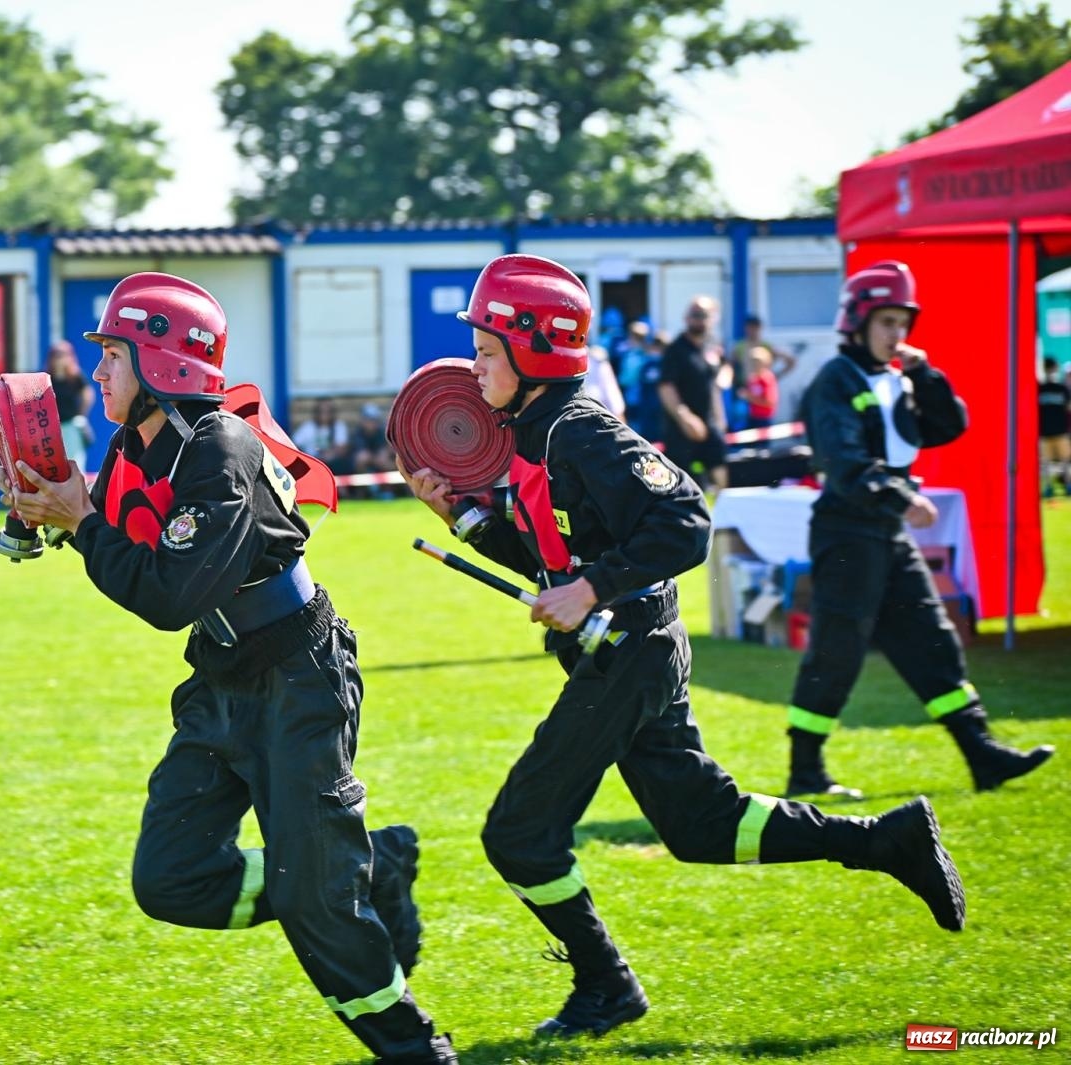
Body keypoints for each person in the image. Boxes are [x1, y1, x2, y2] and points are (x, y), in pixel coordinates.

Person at [398, 254, 967, 1041]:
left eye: (488, 349)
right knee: (704, 826)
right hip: (624, 650)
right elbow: (553, 562)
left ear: (535, 351)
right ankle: (888, 838)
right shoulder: (534, 434)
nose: (474, 364)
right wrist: (462, 517)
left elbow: (686, 522)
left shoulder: (584, 430)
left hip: (629, 652)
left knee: (518, 832)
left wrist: (591, 590)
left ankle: (607, 985)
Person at [0, 272, 457, 1064]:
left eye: (113, 354)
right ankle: (365, 868)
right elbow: (125, 548)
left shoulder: (220, 449)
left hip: (295, 672)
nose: (98, 371)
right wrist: (52, 511)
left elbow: (167, 592)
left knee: (318, 902)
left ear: (164, 365)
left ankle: (416, 1049)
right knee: (170, 877)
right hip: (220, 674)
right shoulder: (134, 442)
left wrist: (80, 521)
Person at [783, 260, 1054, 799]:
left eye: (902, 323)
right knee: (837, 653)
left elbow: (948, 426)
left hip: (886, 534)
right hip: (848, 535)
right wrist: (902, 497)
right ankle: (805, 770)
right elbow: (844, 462)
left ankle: (983, 756)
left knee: (933, 641)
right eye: (886, 322)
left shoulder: (896, 378)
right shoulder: (835, 381)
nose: (896, 334)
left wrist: (925, 375)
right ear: (857, 322)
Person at [658, 296, 729, 491]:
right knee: (680, 481)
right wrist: (685, 418)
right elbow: (666, 387)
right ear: (686, 318)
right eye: (695, 315)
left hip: (710, 421)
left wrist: (720, 415)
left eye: (704, 315)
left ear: (713, 318)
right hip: (681, 426)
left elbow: (719, 376)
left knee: (720, 472)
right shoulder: (676, 349)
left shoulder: (712, 345)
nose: (699, 320)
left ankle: (721, 517)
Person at [46, 339, 95, 471]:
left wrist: (81, 414)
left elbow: (88, 394)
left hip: (71, 425)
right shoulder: (47, 378)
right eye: (57, 355)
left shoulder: (75, 376)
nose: (60, 359)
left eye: (63, 355)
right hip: (53, 428)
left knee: (74, 462)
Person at [293, 397, 354, 476]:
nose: (325, 414)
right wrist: (306, 456)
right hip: (312, 462)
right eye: (321, 411)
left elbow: (342, 448)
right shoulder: (308, 427)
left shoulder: (338, 426)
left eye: (328, 411)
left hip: (333, 463)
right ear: (316, 412)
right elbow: (294, 444)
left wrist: (330, 454)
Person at [1039, 357, 1070, 497]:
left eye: (1052, 368)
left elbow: (1068, 408)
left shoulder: (1062, 388)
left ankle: (1068, 485)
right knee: (1045, 463)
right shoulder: (1039, 389)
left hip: (1061, 431)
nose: (1050, 371)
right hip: (1044, 432)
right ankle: (1048, 487)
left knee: (1065, 460)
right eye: (1048, 368)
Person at [351, 402, 397, 490]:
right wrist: (375, 458)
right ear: (362, 420)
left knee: (386, 462)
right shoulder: (358, 433)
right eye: (368, 420)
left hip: (380, 464)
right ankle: (364, 491)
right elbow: (362, 455)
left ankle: (387, 490)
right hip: (366, 466)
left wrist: (381, 457)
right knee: (362, 459)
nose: (371, 423)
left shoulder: (381, 432)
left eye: (373, 420)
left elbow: (385, 451)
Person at [743, 346, 781, 430]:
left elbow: (770, 401)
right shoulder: (752, 379)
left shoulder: (767, 378)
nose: (755, 364)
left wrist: (750, 397)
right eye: (753, 361)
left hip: (764, 418)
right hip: (752, 417)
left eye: (757, 361)